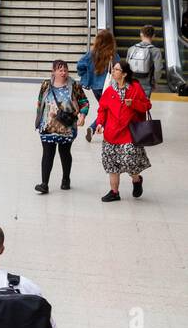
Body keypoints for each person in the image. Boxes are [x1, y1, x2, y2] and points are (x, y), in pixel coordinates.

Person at [95, 59, 152, 203]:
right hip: (111, 133)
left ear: (124, 74)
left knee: (129, 161)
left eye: (116, 70)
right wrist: (100, 123)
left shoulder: (134, 88)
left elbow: (147, 105)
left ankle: (136, 180)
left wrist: (134, 104)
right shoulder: (109, 90)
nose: (113, 72)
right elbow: (102, 109)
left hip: (128, 132)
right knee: (111, 163)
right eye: (113, 69)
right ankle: (114, 192)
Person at [33, 59, 89, 194]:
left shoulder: (74, 85)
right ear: (53, 72)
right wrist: (39, 120)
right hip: (47, 126)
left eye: (65, 70)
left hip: (67, 127)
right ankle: (44, 184)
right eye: (60, 70)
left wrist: (82, 116)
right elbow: (40, 102)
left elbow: (84, 102)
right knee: (47, 154)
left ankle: (65, 179)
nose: (63, 73)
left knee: (64, 153)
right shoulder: (46, 84)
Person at [77, 28, 116, 141]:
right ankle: (94, 128)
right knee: (108, 110)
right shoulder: (112, 55)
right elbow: (119, 67)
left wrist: (87, 75)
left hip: (95, 87)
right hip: (108, 88)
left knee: (105, 109)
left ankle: (95, 128)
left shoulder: (91, 54)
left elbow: (80, 66)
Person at [126, 24, 165, 92]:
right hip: (147, 82)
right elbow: (158, 69)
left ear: (141, 34)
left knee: (132, 101)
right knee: (144, 101)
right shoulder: (156, 51)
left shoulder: (131, 49)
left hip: (132, 81)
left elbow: (126, 66)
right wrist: (155, 81)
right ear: (153, 36)